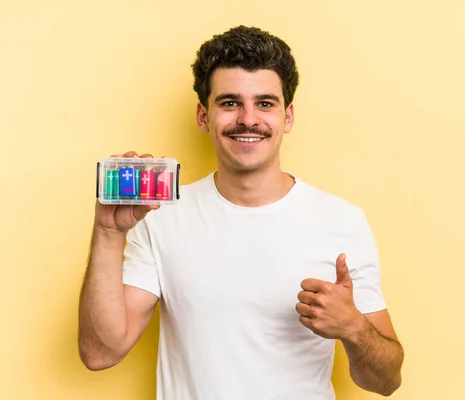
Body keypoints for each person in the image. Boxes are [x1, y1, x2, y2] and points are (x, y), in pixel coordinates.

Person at [78, 25, 404, 399]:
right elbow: (100, 352)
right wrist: (107, 230)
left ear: (288, 116)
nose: (248, 119)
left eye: (265, 103)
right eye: (230, 102)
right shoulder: (160, 217)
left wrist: (354, 328)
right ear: (203, 116)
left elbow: (386, 381)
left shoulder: (341, 221)